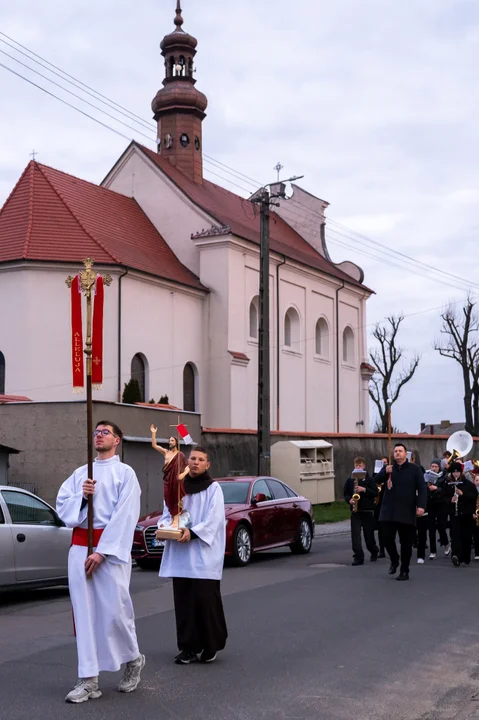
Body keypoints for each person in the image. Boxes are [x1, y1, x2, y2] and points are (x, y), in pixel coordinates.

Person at [56, 421, 145, 703]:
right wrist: (82, 497)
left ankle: (133, 659)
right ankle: (88, 679)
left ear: (117, 440)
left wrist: (102, 551)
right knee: (85, 613)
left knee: (115, 611)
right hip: (80, 549)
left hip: (109, 551)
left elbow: (126, 515)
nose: (99, 435)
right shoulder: (81, 474)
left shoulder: (125, 474)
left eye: (105, 432)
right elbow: (63, 508)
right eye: (96, 432)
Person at [158, 446, 228, 665]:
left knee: (205, 603)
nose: (195, 462)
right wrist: (165, 529)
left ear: (207, 464)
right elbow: (167, 513)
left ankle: (210, 645)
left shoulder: (213, 488)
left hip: (203, 556)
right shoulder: (177, 486)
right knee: (184, 604)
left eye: (200, 459)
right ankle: (188, 648)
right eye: (192, 458)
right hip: (181, 557)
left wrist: (193, 533)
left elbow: (214, 518)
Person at [377, 443, 427, 581]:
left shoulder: (415, 469)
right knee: (386, 537)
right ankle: (394, 559)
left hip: (406, 509)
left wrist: (421, 506)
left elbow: (422, 489)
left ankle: (404, 570)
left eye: (400, 451)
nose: (397, 453)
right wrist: (384, 472)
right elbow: (375, 481)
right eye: (395, 451)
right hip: (389, 510)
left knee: (406, 543)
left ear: (406, 454)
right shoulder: (389, 468)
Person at [343, 457, 379, 566]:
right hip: (356, 511)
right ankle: (358, 557)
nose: (358, 467)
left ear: (364, 466)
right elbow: (346, 493)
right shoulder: (350, 480)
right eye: (356, 466)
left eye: (360, 465)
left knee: (369, 536)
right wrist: (349, 500)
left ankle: (374, 550)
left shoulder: (369, 479)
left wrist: (364, 489)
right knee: (355, 536)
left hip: (367, 511)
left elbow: (375, 492)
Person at [150, 425, 189, 518]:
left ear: (176, 442)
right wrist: (153, 433)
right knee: (167, 498)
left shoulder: (180, 455)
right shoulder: (166, 452)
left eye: (172, 440)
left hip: (177, 482)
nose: (170, 442)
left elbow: (188, 467)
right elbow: (154, 445)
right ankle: (169, 518)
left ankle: (176, 519)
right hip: (168, 481)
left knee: (177, 499)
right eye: (169, 441)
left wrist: (183, 474)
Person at [444, 461, 477, 567]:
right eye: (454, 472)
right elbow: (442, 497)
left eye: (457, 472)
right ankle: (456, 556)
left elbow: (474, 496)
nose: (456, 474)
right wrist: (450, 500)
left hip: (466, 514)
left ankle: (465, 557)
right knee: (455, 535)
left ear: (461, 472)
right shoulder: (448, 484)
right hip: (454, 514)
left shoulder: (468, 484)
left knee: (466, 536)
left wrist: (463, 494)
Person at [373, 457, 388, 558]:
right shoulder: (376, 474)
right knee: (380, 529)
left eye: (385, 462)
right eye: (382, 462)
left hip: (387, 502)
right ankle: (381, 550)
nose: (383, 464)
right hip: (379, 504)